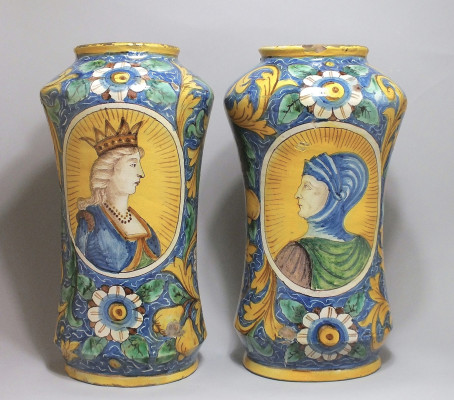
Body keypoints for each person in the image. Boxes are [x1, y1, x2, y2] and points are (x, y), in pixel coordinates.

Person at [75, 118, 160, 273]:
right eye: (133, 164)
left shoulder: (144, 226)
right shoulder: (90, 222)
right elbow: (79, 273)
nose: (141, 173)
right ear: (108, 171)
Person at [275, 152, 371, 290]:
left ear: (339, 195)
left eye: (307, 186)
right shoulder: (363, 248)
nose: (297, 194)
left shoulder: (295, 255)